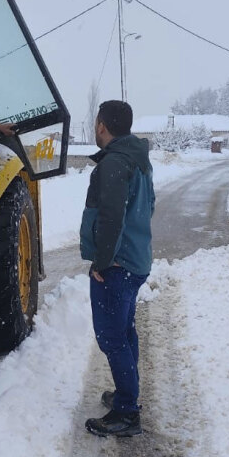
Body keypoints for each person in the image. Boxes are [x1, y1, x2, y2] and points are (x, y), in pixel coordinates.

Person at [80, 100, 155, 438]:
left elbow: (112, 218)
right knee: (124, 331)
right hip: (135, 260)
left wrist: (103, 260)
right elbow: (148, 205)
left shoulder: (113, 164)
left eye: (96, 122)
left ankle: (126, 410)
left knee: (111, 336)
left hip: (117, 265)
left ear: (102, 126)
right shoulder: (137, 158)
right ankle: (128, 392)